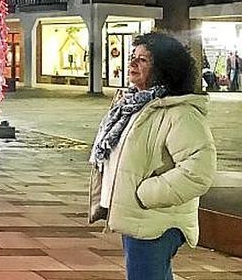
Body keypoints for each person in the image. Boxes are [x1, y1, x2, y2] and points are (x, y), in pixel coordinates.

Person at [88, 32, 216, 280]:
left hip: (156, 222)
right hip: (138, 217)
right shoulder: (134, 106)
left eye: (143, 60)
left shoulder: (180, 113)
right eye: (132, 57)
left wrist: (145, 194)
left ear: (164, 68)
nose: (132, 64)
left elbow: (198, 171)